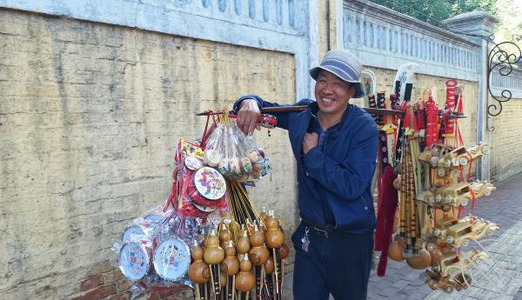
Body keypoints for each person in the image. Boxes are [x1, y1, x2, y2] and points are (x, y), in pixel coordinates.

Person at [233, 49, 378, 300]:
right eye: (322, 80)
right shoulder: (303, 115)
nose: (327, 89)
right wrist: (249, 102)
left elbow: (353, 185)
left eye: (338, 84)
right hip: (310, 238)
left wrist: (313, 156)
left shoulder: (363, 127)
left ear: (351, 92)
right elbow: (265, 108)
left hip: (349, 241)